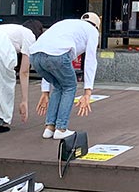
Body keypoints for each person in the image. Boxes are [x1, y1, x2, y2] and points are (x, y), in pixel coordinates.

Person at [30, 12, 100, 140]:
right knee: (69, 86)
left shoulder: (65, 23)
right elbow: (90, 59)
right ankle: (61, 128)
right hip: (57, 55)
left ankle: (49, 128)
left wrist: (45, 92)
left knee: (58, 86)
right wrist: (88, 91)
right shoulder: (92, 31)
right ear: (96, 26)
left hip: (35, 56)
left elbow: (46, 49)